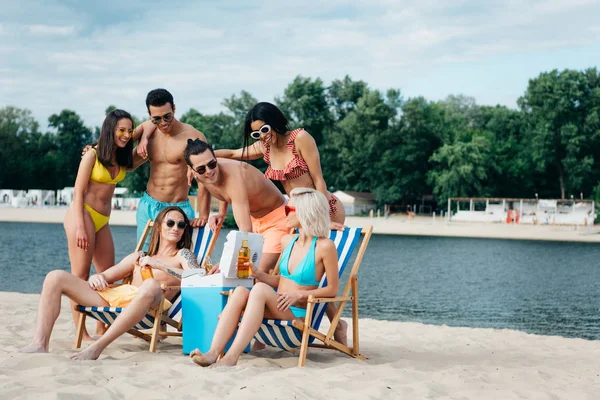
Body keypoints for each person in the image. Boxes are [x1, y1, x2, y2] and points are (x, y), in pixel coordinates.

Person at [20, 206, 202, 360]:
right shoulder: (140, 256)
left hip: (148, 309)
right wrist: (96, 278)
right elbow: (106, 276)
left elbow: (197, 275)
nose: (175, 228)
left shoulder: (182, 254)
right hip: (116, 302)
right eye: (170, 223)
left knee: (151, 284)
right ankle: (40, 343)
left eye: (181, 224)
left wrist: (159, 265)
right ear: (159, 227)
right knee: (55, 276)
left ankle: (98, 347)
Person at [189, 188, 339, 368]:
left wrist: (298, 295)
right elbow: (282, 282)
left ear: (306, 212)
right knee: (240, 291)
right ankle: (213, 353)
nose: (284, 214)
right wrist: (258, 274)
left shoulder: (325, 246)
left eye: (288, 210)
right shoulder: (287, 241)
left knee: (259, 289)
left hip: (296, 316)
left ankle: (231, 357)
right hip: (277, 307)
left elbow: (332, 290)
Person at [64, 109, 140, 340]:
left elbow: (148, 128)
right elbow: (78, 192)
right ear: (110, 130)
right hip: (83, 214)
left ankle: (101, 327)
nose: (126, 134)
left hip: (103, 220)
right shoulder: (92, 155)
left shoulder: (123, 158)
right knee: (80, 275)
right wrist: (79, 226)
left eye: (130, 130)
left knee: (108, 276)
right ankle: (82, 332)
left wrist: (144, 137)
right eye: (121, 130)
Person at [214, 102, 345, 230]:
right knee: (297, 248)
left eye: (265, 129)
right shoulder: (265, 147)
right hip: (297, 210)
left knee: (324, 250)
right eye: (256, 134)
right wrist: (197, 158)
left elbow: (318, 180)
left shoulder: (300, 139)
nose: (263, 136)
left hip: (322, 207)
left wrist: (321, 218)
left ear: (275, 121)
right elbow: (232, 154)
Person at [184, 139, 288, 273]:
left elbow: (245, 230)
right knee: (239, 273)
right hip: (253, 220)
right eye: (201, 169)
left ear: (216, 159)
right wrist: (221, 212)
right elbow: (217, 186)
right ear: (193, 171)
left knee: (256, 273)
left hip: (276, 219)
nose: (209, 171)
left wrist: (225, 262)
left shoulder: (234, 180)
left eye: (212, 164)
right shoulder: (201, 176)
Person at [123, 88, 211, 243]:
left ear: (174, 109)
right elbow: (126, 165)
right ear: (149, 115)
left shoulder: (193, 136)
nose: (163, 123)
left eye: (167, 117)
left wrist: (204, 215)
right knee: (143, 259)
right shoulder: (149, 135)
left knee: (179, 262)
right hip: (149, 206)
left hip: (178, 210)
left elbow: (205, 178)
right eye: (156, 119)